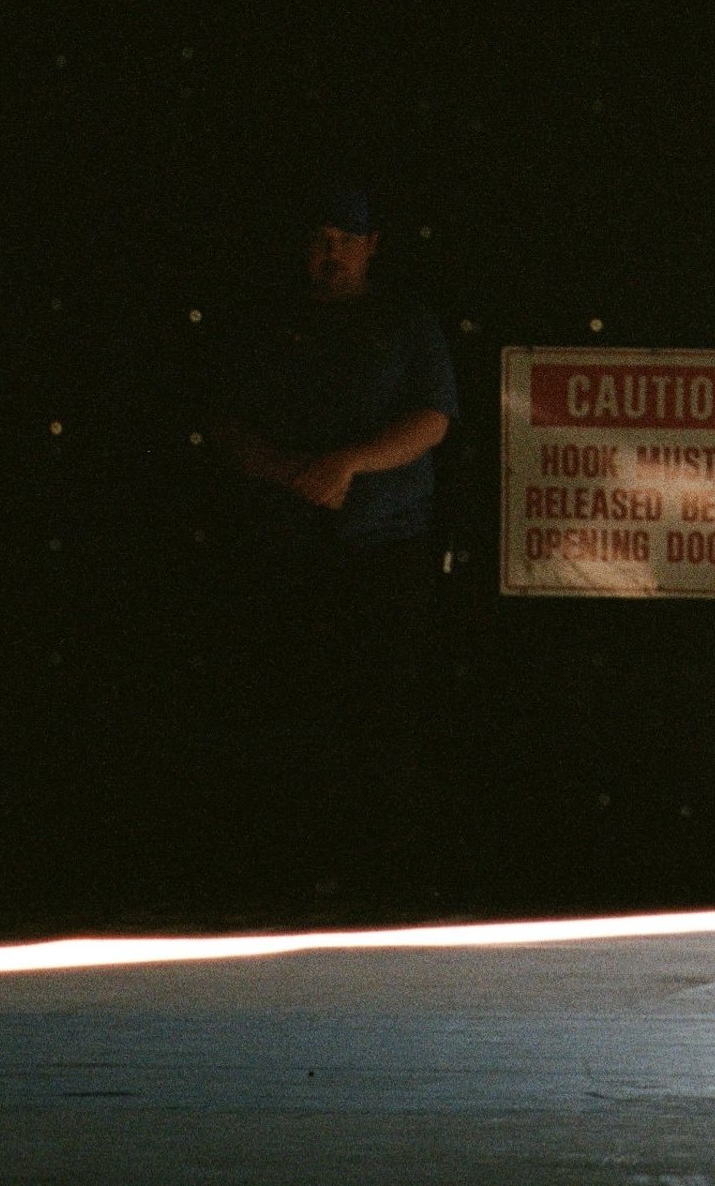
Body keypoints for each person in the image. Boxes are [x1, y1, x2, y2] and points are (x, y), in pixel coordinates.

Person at [195, 182, 459, 906]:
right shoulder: (265, 325)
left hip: (384, 545)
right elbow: (226, 426)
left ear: (372, 246)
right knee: (287, 711)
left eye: (345, 241)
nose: (331, 255)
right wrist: (293, 474)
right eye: (320, 242)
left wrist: (349, 464)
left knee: (382, 712)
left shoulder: (405, 323)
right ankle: (287, 872)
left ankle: (385, 877)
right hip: (284, 547)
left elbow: (433, 419)